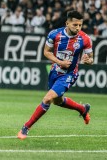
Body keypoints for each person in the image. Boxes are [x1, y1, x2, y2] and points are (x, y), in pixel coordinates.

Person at [17, 10, 93, 140]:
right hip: (55, 71)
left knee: (47, 99)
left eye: (80, 25)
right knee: (57, 101)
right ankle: (82, 109)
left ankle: (26, 127)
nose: (78, 28)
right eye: (75, 25)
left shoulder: (85, 39)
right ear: (67, 23)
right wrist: (59, 62)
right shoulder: (54, 34)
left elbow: (91, 58)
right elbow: (46, 52)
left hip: (69, 74)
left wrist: (88, 61)